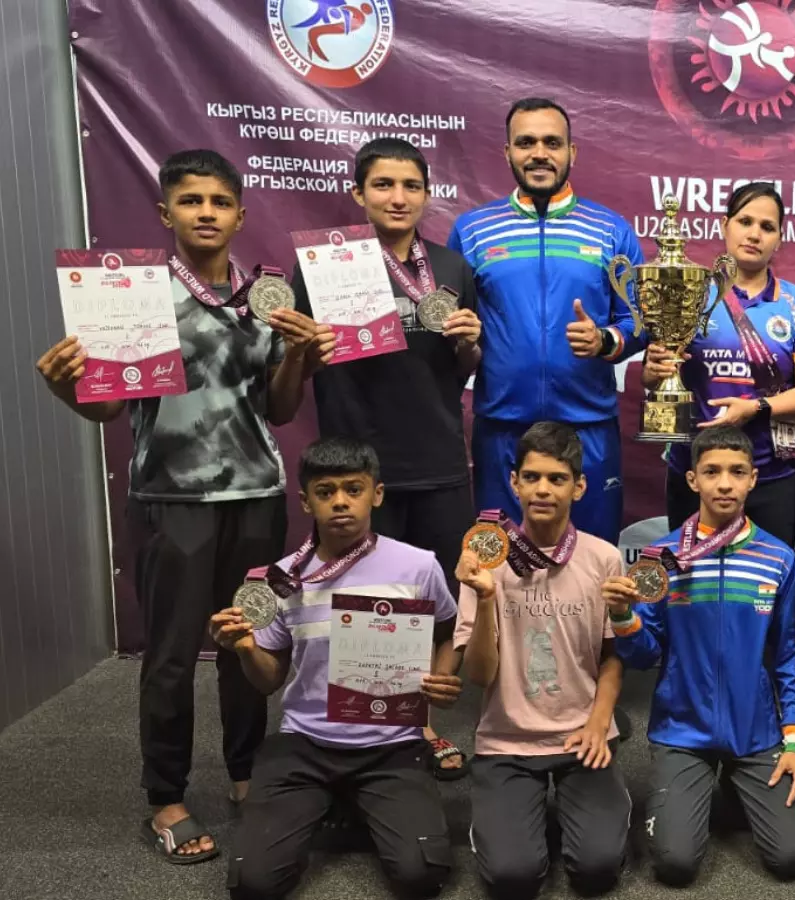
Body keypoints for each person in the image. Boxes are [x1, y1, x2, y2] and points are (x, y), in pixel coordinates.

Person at [35, 149, 323, 863]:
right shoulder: (135, 298)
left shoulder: (266, 299)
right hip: (171, 499)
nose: (206, 213)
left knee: (247, 643)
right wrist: (66, 388)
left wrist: (298, 355)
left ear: (240, 215)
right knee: (169, 656)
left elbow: (281, 410)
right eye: (191, 201)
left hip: (255, 497)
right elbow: (106, 410)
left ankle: (247, 774)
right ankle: (165, 796)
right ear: (166, 212)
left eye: (219, 202)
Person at [292, 137, 481, 780]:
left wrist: (470, 342)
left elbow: (464, 370)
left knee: (436, 601)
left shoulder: (451, 267)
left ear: (426, 193)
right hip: (360, 469)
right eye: (382, 184)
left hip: (438, 458)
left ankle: (417, 723)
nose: (398, 197)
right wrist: (306, 349)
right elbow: (295, 368)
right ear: (358, 193)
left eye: (410, 185)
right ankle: (365, 732)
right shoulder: (324, 266)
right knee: (369, 603)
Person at [211, 437, 461, 899]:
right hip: (306, 744)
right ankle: (338, 801)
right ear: (306, 501)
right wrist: (245, 649)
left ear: (376, 494)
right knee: (253, 884)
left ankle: (353, 803)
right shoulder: (282, 580)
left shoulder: (418, 566)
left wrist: (442, 678)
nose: (341, 502)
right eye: (325, 492)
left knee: (421, 876)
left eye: (353, 489)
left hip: (390, 743)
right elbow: (267, 681)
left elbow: (449, 631)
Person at [608, 425, 795, 885]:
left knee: (792, 858)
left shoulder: (778, 558)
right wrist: (623, 618)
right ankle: (703, 786)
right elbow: (643, 655)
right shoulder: (662, 559)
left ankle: (735, 786)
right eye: (712, 471)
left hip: (756, 733)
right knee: (675, 865)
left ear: (753, 479)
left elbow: (788, 659)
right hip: (683, 732)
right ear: (692, 480)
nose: (724, 483)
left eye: (737, 472)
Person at [448, 97, 646, 544]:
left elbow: (640, 321)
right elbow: (457, 325)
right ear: (507, 152)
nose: (539, 153)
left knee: (592, 560)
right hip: (503, 427)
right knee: (499, 562)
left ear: (572, 152)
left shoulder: (610, 230)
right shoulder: (473, 230)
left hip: (587, 427)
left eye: (552, 142)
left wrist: (605, 340)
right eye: (526, 142)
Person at [448, 422, 630, 899]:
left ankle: (587, 809)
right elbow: (480, 675)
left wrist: (599, 723)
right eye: (531, 477)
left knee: (597, 869)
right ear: (514, 483)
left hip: (581, 735)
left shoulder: (604, 559)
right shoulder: (484, 561)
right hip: (506, 740)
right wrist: (486, 597)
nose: (543, 489)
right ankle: (513, 822)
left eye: (557, 478)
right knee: (513, 878)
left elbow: (613, 657)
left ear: (579, 486)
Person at [642, 181, 795, 548]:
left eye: (767, 227)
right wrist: (654, 372)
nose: (754, 234)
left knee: (769, 577)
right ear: (724, 226)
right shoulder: (688, 291)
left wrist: (755, 408)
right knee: (690, 577)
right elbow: (655, 379)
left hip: (770, 473)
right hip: (696, 472)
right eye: (745, 222)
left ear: (779, 239)